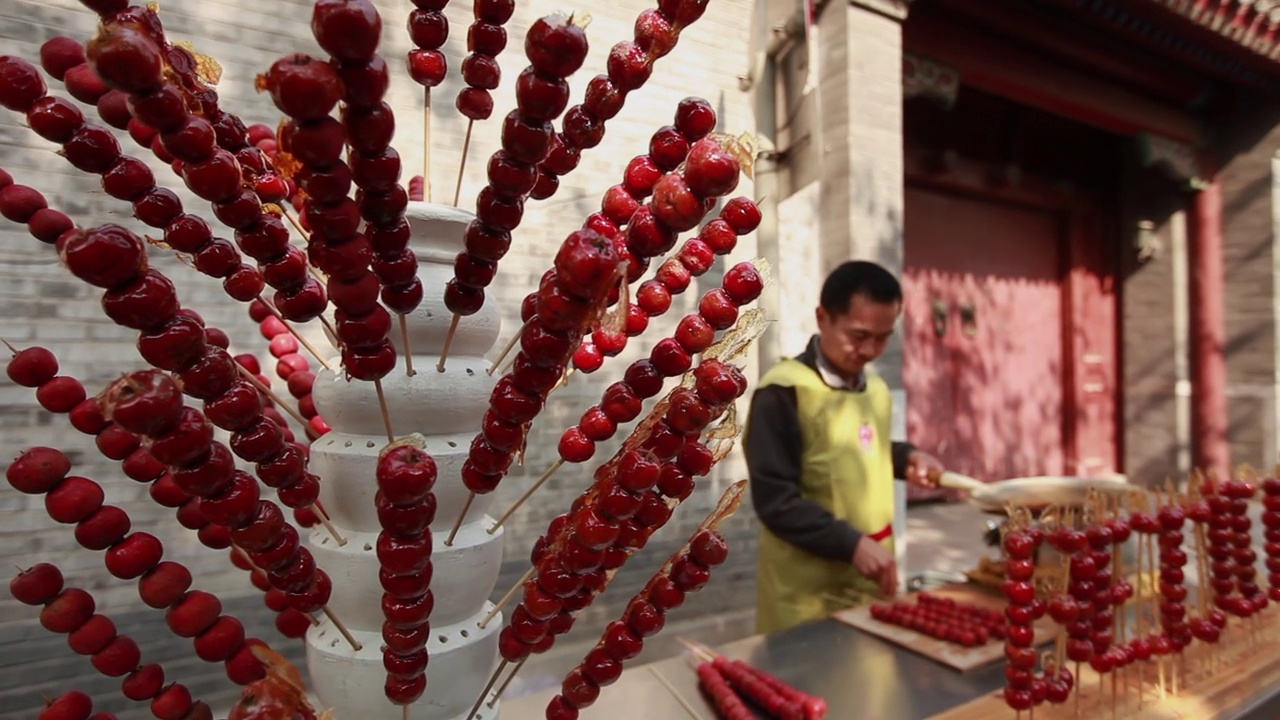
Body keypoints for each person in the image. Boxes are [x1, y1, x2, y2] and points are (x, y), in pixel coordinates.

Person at [745, 260, 944, 634]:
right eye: (859, 335)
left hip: (871, 581)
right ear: (823, 318)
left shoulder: (877, 389)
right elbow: (776, 500)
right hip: (807, 592)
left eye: (883, 337)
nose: (870, 350)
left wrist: (906, 458)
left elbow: (864, 449)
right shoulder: (784, 392)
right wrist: (851, 543)